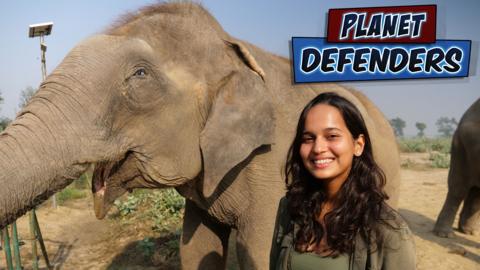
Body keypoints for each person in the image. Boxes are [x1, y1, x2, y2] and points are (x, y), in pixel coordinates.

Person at [270, 92, 415, 270]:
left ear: (358, 145)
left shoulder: (388, 229)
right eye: (308, 138)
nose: (318, 148)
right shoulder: (291, 208)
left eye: (332, 136)